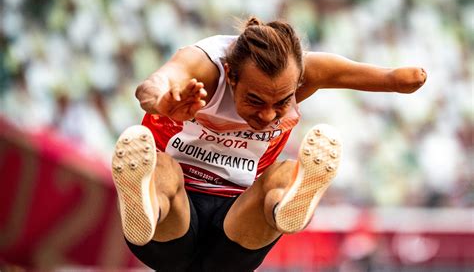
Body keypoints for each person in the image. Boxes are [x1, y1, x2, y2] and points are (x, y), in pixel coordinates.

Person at [111, 17, 427, 271]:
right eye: (255, 100)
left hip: (234, 230)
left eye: (281, 102)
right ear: (232, 76)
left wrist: (399, 81)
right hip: (173, 227)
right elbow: (158, 82)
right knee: (163, 167)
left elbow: (373, 75)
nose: (267, 115)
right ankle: (147, 209)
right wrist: (158, 98)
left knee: (285, 172)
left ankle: (285, 208)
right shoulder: (204, 67)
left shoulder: (303, 72)